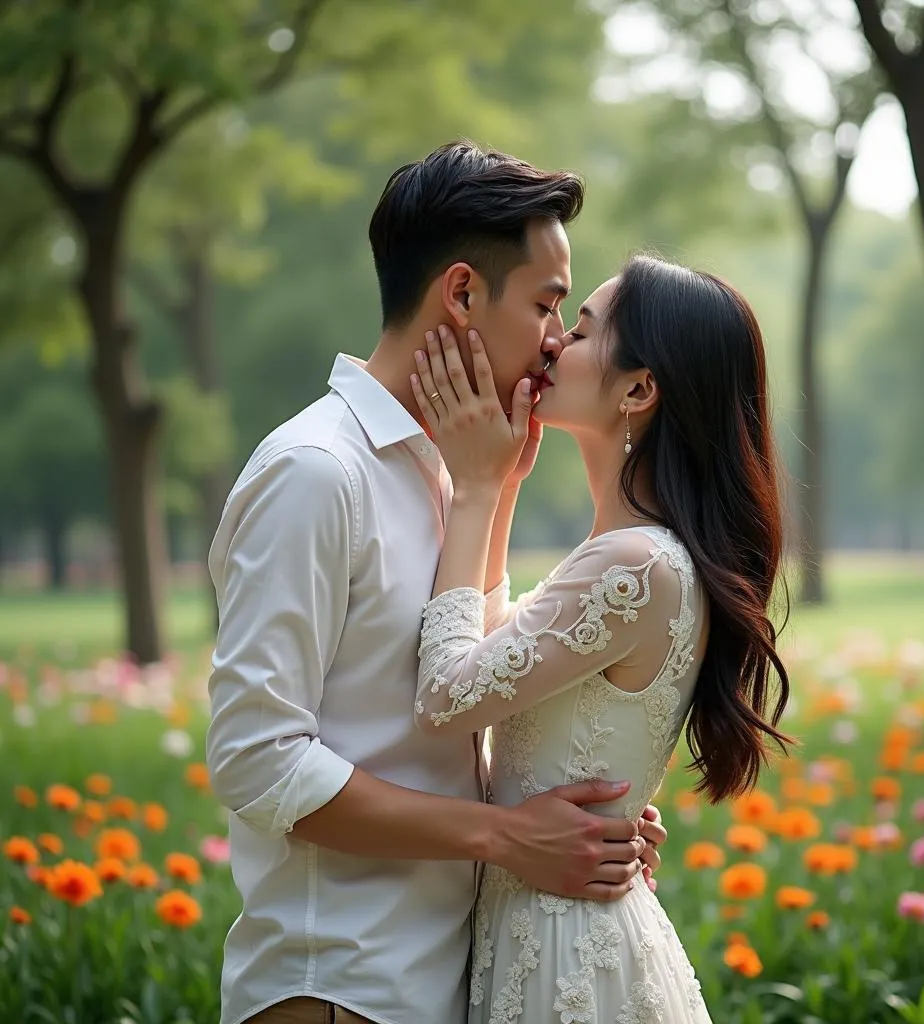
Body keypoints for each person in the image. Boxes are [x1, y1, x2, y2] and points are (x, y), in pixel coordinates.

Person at [204, 142, 667, 1024]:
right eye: (545, 303)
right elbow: (256, 761)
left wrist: (573, 820)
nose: (556, 339)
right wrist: (508, 838)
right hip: (340, 987)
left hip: (449, 980)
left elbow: (460, 711)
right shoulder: (316, 472)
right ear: (461, 293)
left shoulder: (453, 476)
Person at [409, 254, 794, 1022]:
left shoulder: (634, 565)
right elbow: (492, 665)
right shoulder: (641, 555)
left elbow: (445, 696)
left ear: (639, 389)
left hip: (565, 951)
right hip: (557, 925)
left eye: (580, 330)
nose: (550, 343)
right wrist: (507, 486)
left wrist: (476, 487)